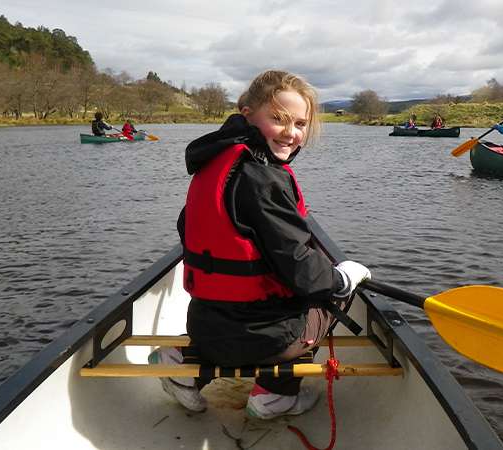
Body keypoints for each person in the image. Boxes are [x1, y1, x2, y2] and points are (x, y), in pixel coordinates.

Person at [149, 70, 372, 419]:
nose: (291, 133)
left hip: (205, 327)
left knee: (249, 318)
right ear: (247, 112)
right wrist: (343, 278)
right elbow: (302, 270)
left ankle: (182, 361)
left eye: (300, 123)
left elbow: (187, 227)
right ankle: (274, 397)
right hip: (267, 339)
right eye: (278, 119)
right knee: (335, 293)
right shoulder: (263, 176)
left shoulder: (214, 162)